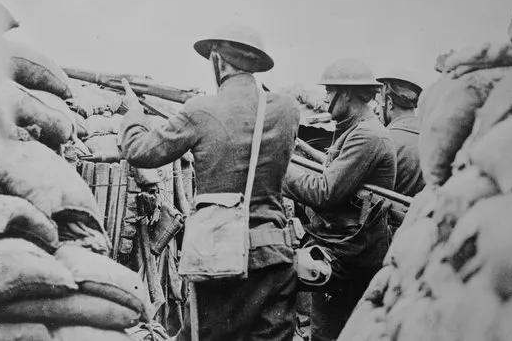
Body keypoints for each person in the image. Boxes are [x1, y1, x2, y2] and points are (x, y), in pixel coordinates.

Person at [118, 25, 301, 341]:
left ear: (217, 60)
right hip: (276, 254)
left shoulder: (200, 111)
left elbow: (138, 151)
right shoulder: (288, 110)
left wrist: (134, 114)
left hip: (222, 259)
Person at [283, 58, 397, 341]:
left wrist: (276, 168)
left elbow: (325, 192)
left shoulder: (368, 136)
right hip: (343, 252)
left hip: (349, 258)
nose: (326, 98)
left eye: (330, 90)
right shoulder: (355, 131)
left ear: (347, 93)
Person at [376, 70, 425, 198]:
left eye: (380, 102)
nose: (378, 109)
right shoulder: (431, 138)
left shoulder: (384, 140)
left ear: (390, 102)